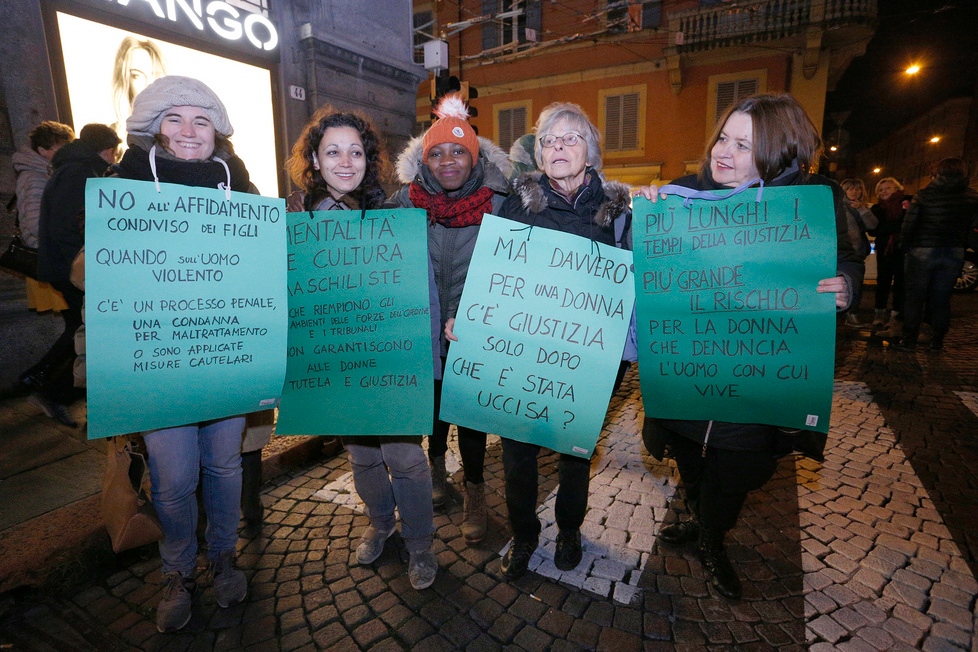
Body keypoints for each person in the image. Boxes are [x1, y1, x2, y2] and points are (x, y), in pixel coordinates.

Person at [636, 93, 863, 600]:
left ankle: (712, 538)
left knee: (735, 473)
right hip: (690, 375)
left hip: (756, 381)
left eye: (743, 145)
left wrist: (846, 286)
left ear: (777, 153)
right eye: (723, 138)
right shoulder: (685, 195)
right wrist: (650, 208)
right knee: (689, 460)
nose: (724, 152)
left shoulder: (813, 201)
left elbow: (848, 256)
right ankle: (699, 516)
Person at [446, 101, 633, 580]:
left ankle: (569, 529)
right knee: (516, 457)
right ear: (539, 154)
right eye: (549, 140)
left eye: (571, 138)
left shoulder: (619, 215)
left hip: (585, 361)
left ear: (590, 151)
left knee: (575, 455)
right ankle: (525, 535)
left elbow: (640, 283)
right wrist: (465, 315)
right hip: (522, 357)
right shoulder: (514, 205)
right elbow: (488, 271)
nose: (559, 147)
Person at [113, 75, 252, 632]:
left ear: (217, 131)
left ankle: (223, 556)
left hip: (225, 351)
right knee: (172, 481)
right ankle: (177, 570)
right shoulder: (120, 185)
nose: (189, 130)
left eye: (201, 120)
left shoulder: (240, 186)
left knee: (224, 466)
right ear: (154, 127)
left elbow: (262, 265)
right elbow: (93, 270)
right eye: (175, 118)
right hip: (160, 359)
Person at [285, 105, 440, 590]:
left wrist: (426, 360)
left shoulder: (394, 217)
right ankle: (380, 524)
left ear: (368, 159)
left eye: (355, 151)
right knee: (362, 456)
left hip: (390, 359)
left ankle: (420, 544)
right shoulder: (295, 220)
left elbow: (421, 291)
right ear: (315, 159)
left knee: (405, 458)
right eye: (333, 151)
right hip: (337, 362)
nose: (345, 161)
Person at [386, 93, 512, 543]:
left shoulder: (500, 203)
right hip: (424, 331)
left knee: (471, 418)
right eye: (436, 153)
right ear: (425, 161)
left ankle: (475, 491)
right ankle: (437, 469)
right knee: (434, 410)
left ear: (473, 156)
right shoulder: (404, 203)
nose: (447, 161)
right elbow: (367, 244)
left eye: (458, 150)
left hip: (473, 333)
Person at [27, 123, 120, 427]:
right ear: (104, 149)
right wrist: (86, 269)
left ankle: (49, 387)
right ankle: (54, 392)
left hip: (69, 268)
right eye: (112, 151)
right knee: (89, 334)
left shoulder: (74, 168)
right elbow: (68, 229)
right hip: (72, 270)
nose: (113, 157)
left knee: (79, 332)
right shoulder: (79, 172)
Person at [895, 158, 978, 352]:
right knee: (941, 299)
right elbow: (973, 227)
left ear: (938, 173)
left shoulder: (924, 195)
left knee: (915, 297)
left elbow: (909, 225)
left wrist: (904, 247)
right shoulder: (972, 197)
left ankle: (909, 340)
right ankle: (937, 341)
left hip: (922, 250)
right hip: (953, 252)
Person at [11, 120, 74, 313]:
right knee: (73, 317)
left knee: (73, 317)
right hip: (49, 254)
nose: (66, 153)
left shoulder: (43, 173)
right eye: (61, 149)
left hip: (50, 253)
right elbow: (35, 223)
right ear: (42, 150)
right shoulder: (36, 177)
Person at [869, 177, 909, 335]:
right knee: (882, 282)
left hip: (902, 249)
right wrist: (893, 227)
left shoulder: (906, 204)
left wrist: (885, 228)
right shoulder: (878, 208)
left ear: (896, 189)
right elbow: (873, 230)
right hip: (885, 249)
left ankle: (895, 317)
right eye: (880, 189)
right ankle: (879, 314)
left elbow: (906, 225)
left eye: (887, 188)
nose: (884, 191)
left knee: (900, 283)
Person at [111, 36, 167, 144]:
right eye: (137, 76)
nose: (148, 84)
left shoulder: (178, 133)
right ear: (125, 80)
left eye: (155, 75)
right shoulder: (111, 136)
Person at [839, 178, 877, 327]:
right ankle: (845, 315)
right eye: (850, 188)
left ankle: (852, 314)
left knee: (857, 284)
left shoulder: (863, 207)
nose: (854, 192)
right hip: (844, 252)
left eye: (858, 188)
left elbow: (873, 225)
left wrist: (862, 209)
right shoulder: (839, 206)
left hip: (857, 252)